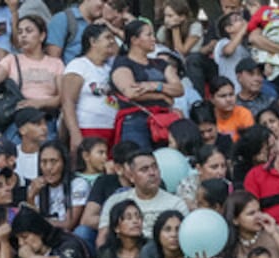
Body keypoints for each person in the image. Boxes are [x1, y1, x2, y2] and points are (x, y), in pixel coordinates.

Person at [0, 15, 64, 139]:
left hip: (45, 119)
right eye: (20, 32)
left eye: (28, 31)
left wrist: (39, 103)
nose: (23, 35)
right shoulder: (11, 60)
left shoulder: (56, 63)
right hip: (18, 119)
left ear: (42, 36)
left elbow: (62, 97)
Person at [112, 19, 182, 150]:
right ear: (134, 40)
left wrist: (156, 86)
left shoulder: (161, 63)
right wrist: (162, 96)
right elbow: (131, 92)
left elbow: (179, 89)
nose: (154, 39)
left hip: (163, 121)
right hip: (136, 121)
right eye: (148, 35)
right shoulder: (122, 63)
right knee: (140, 162)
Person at [96, 149, 187, 246]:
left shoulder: (176, 204)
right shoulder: (116, 201)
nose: (152, 173)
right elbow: (103, 238)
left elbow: (184, 239)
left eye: (155, 167)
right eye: (144, 169)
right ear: (131, 176)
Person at [60, 23, 117, 152]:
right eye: (108, 37)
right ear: (93, 41)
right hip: (87, 129)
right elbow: (67, 102)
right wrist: (75, 134)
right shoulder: (78, 65)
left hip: (111, 130)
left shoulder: (110, 69)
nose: (112, 41)